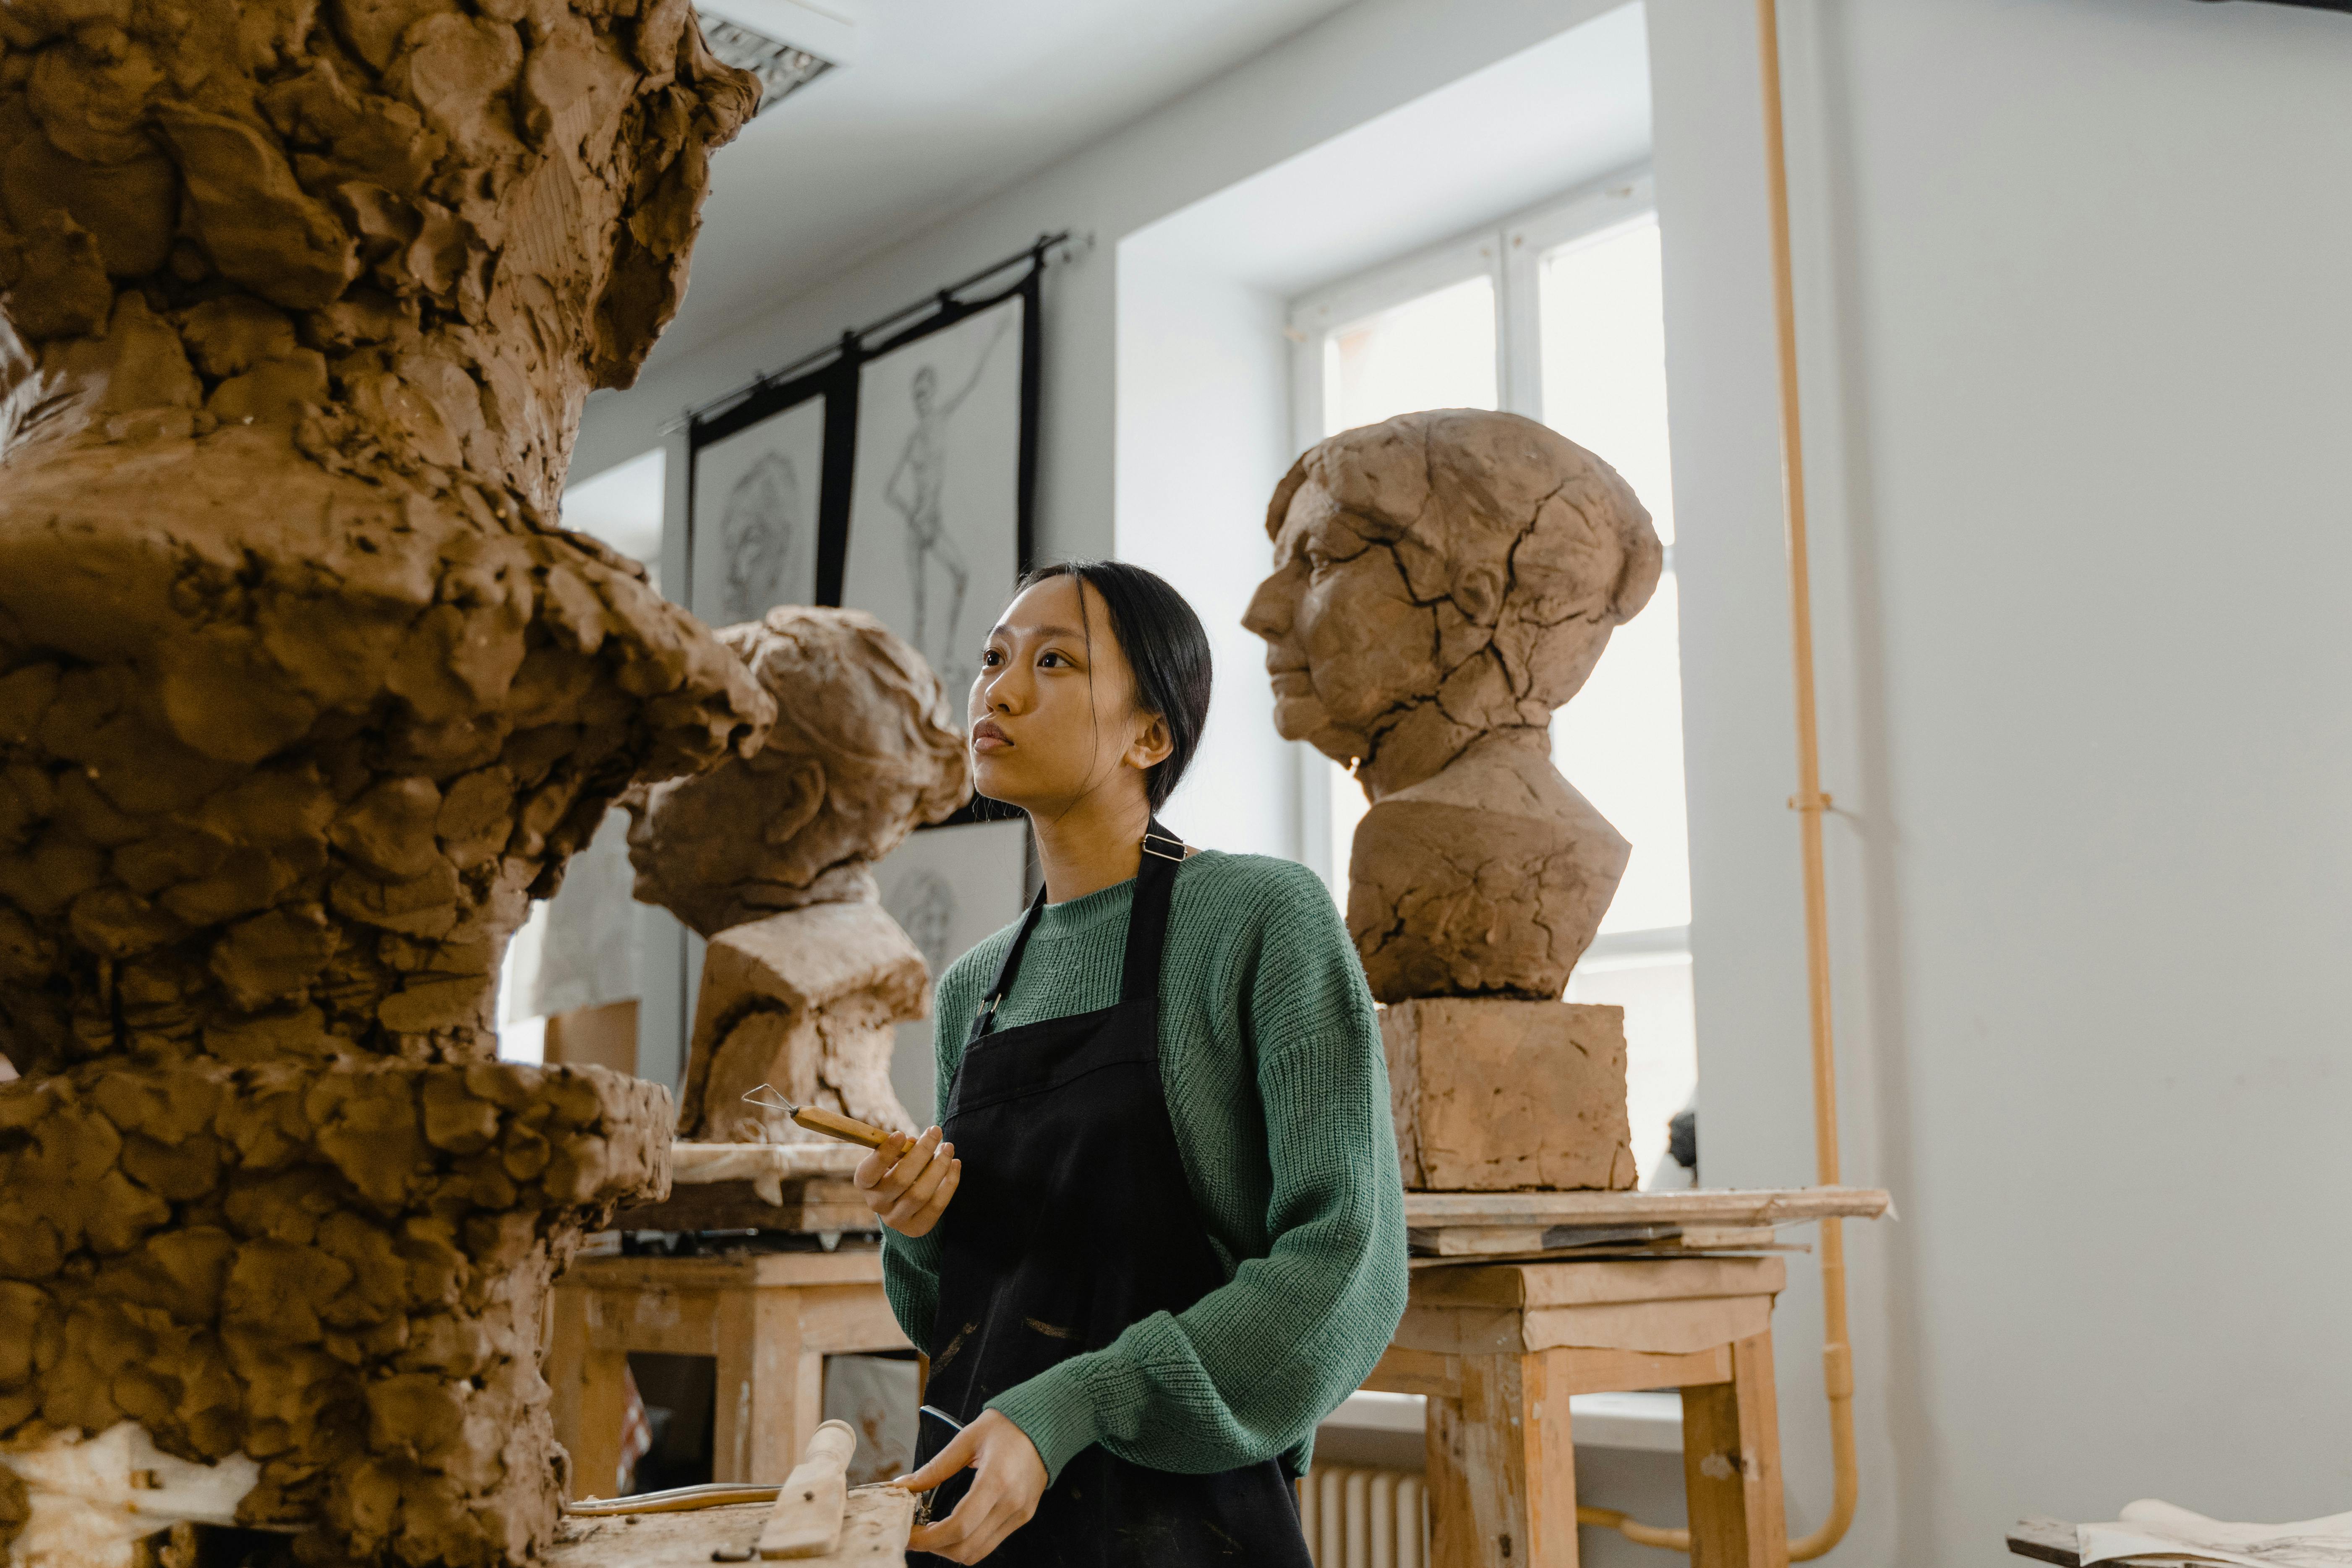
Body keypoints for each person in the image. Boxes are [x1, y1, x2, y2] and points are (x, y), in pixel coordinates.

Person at [859, 561, 1408, 1565]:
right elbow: (955, 1324)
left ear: (1150, 737)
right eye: (993, 658)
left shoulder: (1261, 919)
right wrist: (918, 1231)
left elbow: (1344, 1262)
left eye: (1053, 662)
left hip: (1186, 1519)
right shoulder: (974, 987)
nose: (998, 691)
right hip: (984, 1506)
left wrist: (1078, 1404)